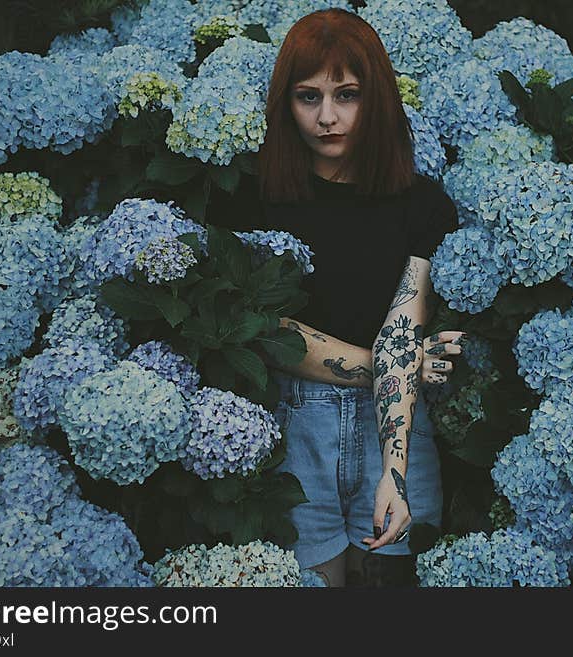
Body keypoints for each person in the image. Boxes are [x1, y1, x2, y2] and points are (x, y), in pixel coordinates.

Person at [206, 8, 464, 587]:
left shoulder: (420, 205)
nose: (328, 117)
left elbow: (404, 322)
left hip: (395, 429)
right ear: (284, 104)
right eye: (308, 97)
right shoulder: (254, 201)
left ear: (377, 101)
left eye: (347, 95)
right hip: (295, 427)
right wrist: (398, 371)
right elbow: (266, 334)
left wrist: (392, 475)